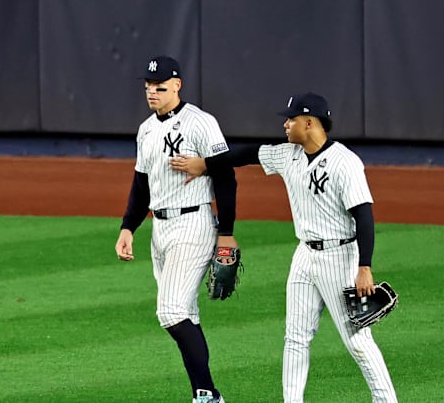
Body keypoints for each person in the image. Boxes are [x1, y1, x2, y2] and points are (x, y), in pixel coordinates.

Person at [169, 93, 398, 402]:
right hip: (304, 256)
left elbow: (364, 216)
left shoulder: (346, 163)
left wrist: (365, 267)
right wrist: (205, 164)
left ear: (309, 122)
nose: (285, 124)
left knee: (357, 340)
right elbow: (248, 154)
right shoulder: (288, 154)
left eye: (290, 119)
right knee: (295, 338)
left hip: (340, 257)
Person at [114, 55, 237, 403]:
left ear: (177, 85)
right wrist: (128, 227)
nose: (153, 92)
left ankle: (208, 394)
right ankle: (204, 395)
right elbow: (141, 184)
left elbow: (226, 176)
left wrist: (225, 232)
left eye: (160, 86)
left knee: (170, 312)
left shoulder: (201, 123)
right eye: (148, 86)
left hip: (193, 223)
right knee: (186, 313)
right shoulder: (146, 130)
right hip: (160, 229)